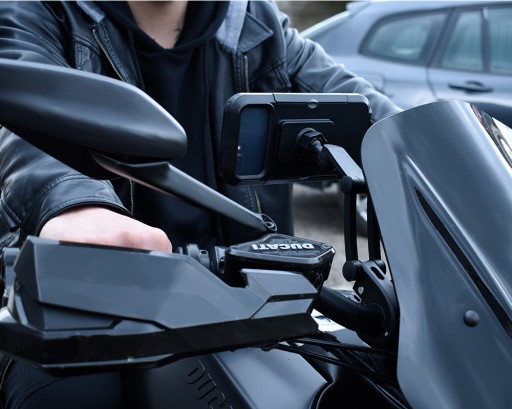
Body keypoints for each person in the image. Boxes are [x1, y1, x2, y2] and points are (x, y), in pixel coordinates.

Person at [0, 1, 402, 408]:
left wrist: (432, 149)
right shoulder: (39, 11)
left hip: (244, 300)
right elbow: (20, 103)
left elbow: (373, 114)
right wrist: (73, 201)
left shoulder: (253, 23)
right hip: (89, 296)